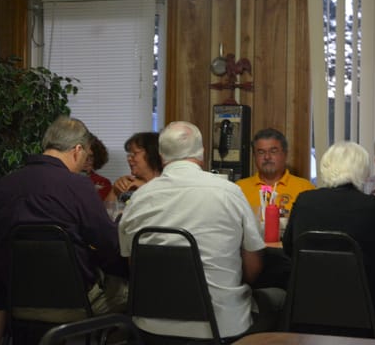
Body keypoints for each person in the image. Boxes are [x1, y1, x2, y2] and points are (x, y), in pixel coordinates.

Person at [118, 121, 284, 339]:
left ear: (161, 155)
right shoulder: (229, 192)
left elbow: (135, 265)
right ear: (202, 153)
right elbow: (253, 269)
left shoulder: (139, 198)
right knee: (278, 299)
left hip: (151, 324)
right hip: (220, 324)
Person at [0, 116, 128, 324]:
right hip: (74, 301)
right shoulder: (78, 186)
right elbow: (110, 244)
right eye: (86, 155)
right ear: (78, 150)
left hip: (15, 300)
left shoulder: (2, 186)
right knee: (134, 292)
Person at [282, 141, 375, 337]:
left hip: (307, 310)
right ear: (363, 171)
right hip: (366, 315)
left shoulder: (303, 201)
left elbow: (289, 249)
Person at [236, 128, 315, 219]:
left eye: (273, 151)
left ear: (285, 154)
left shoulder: (305, 188)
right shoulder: (239, 189)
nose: (267, 157)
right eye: (261, 152)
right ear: (254, 156)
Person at [106, 132, 163, 203]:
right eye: (129, 154)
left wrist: (144, 188)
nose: (129, 158)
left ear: (152, 154)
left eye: (134, 153)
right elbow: (105, 212)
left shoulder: (168, 184)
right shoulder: (129, 184)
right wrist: (115, 191)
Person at [83, 133, 112, 200]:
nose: (86, 161)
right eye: (83, 156)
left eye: (91, 157)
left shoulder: (103, 182)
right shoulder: (64, 179)